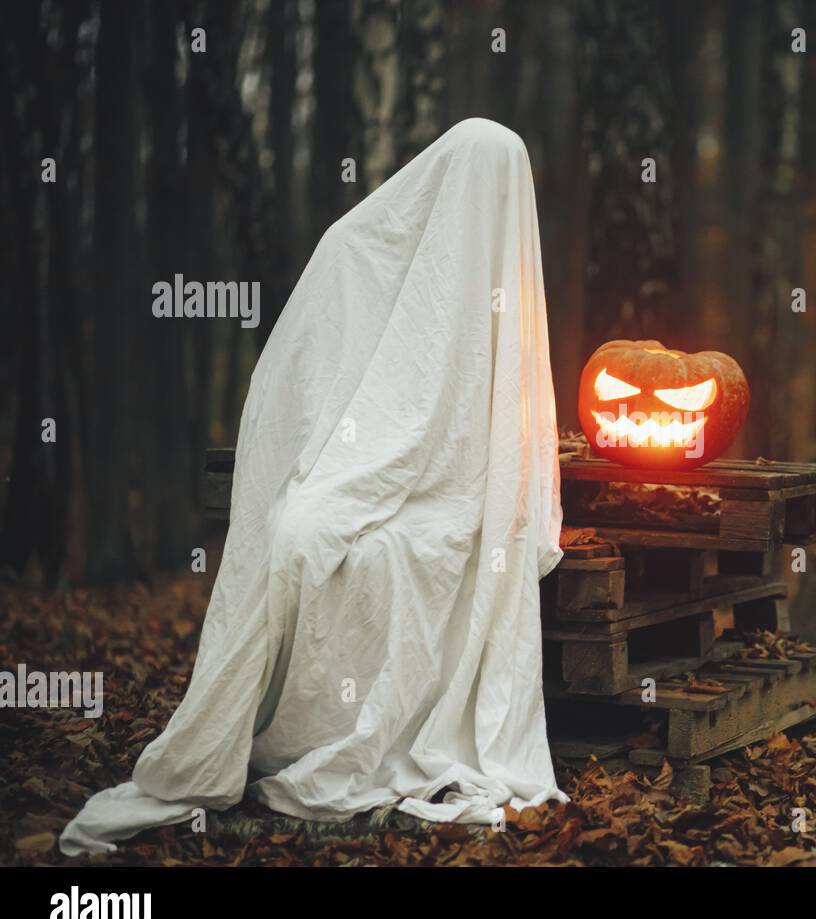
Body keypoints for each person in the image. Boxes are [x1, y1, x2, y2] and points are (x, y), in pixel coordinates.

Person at [61, 118, 567, 855]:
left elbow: (495, 431)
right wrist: (356, 467)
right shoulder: (366, 248)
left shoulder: (503, 283)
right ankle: (285, 733)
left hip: (452, 502)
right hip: (357, 471)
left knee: (409, 552)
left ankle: (381, 733)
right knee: (306, 534)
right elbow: (309, 378)